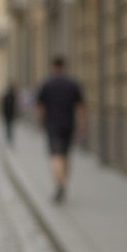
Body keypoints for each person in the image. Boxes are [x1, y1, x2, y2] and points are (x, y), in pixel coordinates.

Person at [36, 56, 86, 203]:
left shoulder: (47, 84)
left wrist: (40, 121)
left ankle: (60, 184)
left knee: (55, 156)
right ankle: (63, 183)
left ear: (53, 67)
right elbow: (80, 106)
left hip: (52, 125)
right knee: (66, 155)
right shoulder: (72, 84)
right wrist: (82, 124)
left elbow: (40, 106)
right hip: (69, 124)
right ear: (64, 66)